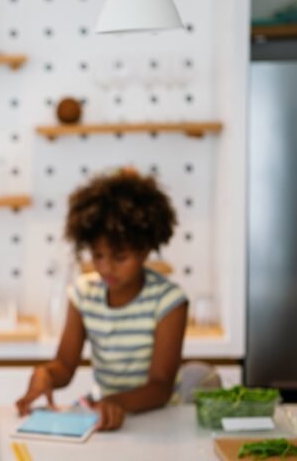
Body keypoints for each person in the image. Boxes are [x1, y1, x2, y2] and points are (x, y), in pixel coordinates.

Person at [15, 169, 187, 431]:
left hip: (156, 420)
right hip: (106, 414)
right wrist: (46, 374)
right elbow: (65, 364)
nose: (106, 268)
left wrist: (114, 402)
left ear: (145, 249)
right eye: (97, 255)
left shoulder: (168, 301)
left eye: (120, 258)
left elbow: (160, 386)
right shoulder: (85, 293)